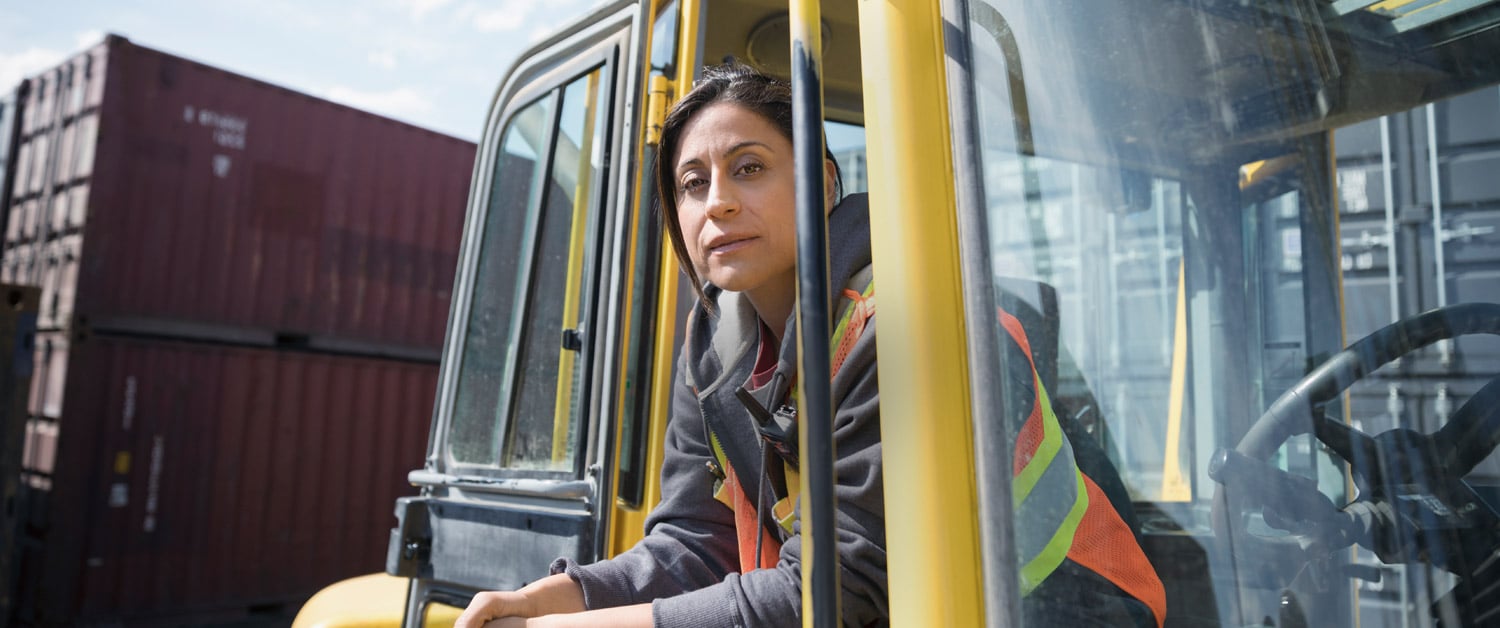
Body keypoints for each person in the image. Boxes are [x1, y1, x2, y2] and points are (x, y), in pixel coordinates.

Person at [454, 62, 887, 628]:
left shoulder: (886, 320)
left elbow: (835, 591)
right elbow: (694, 542)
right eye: (693, 183)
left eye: (749, 168)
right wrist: (543, 599)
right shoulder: (714, 350)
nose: (718, 203)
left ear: (823, 183)